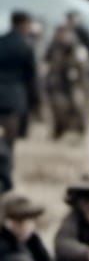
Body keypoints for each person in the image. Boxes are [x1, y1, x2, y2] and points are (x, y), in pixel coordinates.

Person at [0, 11, 40, 163]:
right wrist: (36, 102)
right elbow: (31, 78)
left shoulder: (1, 41)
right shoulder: (25, 46)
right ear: (24, 24)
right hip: (14, 99)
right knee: (9, 141)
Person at [44, 23, 86, 137]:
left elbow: (81, 65)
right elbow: (47, 61)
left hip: (72, 83)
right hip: (57, 82)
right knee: (56, 108)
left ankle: (79, 130)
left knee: (76, 106)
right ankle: (58, 131)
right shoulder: (53, 46)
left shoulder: (74, 47)